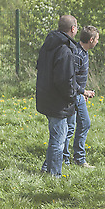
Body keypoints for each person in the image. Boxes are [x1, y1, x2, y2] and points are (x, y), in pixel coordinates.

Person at [37, 15, 78, 177]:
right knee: (58, 140)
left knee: (56, 136)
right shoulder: (64, 49)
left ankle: (47, 169)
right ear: (73, 29)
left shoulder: (48, 44)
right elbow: (64, 79)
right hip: (58, 101)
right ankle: (54, 176)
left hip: (46, 97)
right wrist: (71, 96)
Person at [63, 25, 99, 168]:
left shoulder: (84, 52)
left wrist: (83, 91)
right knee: (75, 126)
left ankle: (72, 158)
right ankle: (73, 158)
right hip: (74, 95)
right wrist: (82, 92)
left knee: (76, 126)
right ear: (91, 39)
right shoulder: (77, 54)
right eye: (97, 39)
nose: (97, 42)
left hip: (79, 94)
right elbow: (71, 79)